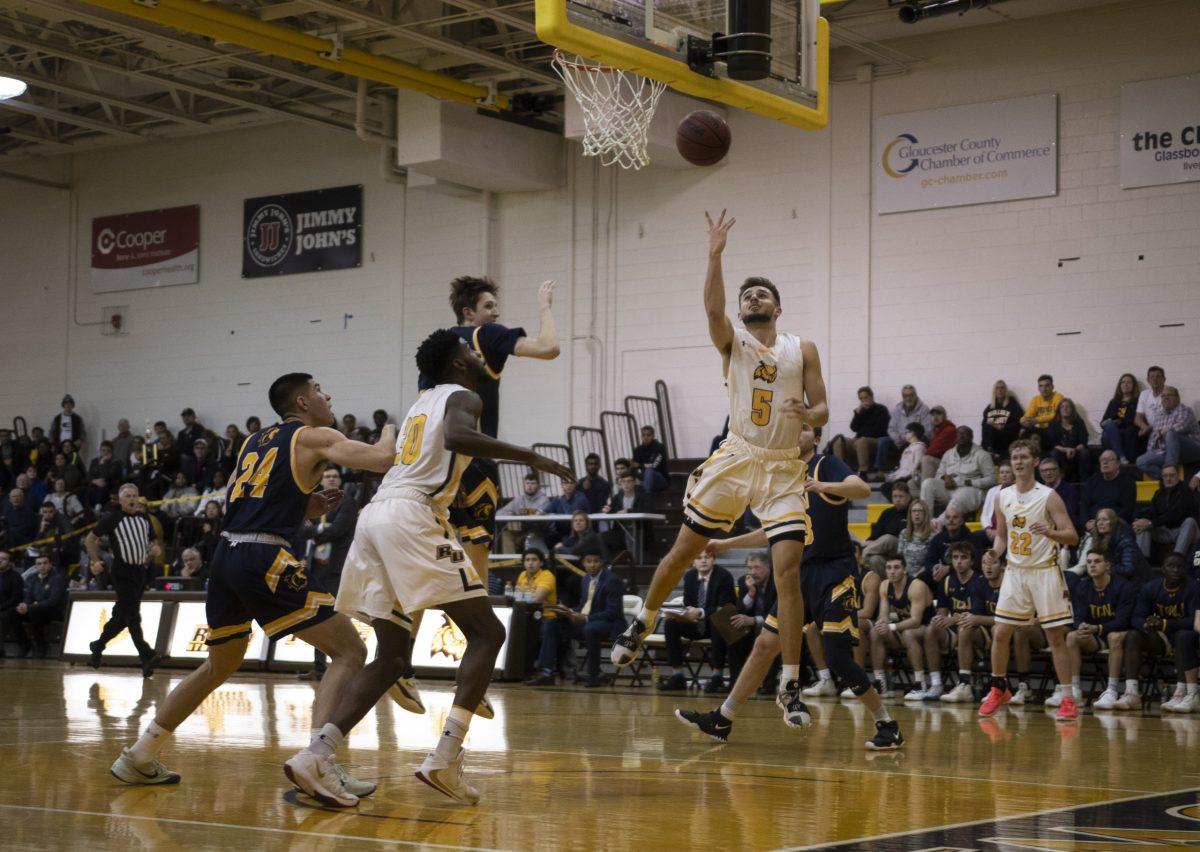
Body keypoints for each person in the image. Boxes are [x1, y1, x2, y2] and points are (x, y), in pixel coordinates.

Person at [288, 330, 572, 807]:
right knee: (487, 634)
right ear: (458, 364)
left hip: (375, 517)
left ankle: (317, 754)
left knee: (393, 656)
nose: (476, 354)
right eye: (468, 350)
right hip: (413, 516)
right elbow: (461, 437)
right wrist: (530, 455)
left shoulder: (422, 402)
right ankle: (445, 758)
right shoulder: (465, 395)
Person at [109, 373, 398, 795]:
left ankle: (139, 754)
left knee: (218, 665)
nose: (328, 395)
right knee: (350, 649)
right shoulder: (312, 435)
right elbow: (381, 460)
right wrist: (393, 424)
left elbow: (245, 501)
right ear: (302, 401)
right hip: (262, 557)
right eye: (320, 390)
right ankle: (317, 760)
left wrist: (302, 507)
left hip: (227, 554)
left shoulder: (254, 442)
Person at [609, 210, 829, 734]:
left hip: (781, 471)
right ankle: (642, 621)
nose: (752, 298)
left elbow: (823, 409)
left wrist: (808, 418)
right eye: (746, 295)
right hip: (735, 457)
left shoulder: (805, 348)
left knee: (788, 572)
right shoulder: (733, 341)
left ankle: (791, 681)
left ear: (779, 307)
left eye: (761, 294)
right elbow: (712, 308)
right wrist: (715, 254)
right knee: (685, 550)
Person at [679, 423, 902, 750]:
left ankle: (888, 724)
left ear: (816, 436)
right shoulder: (780, 476)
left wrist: (820, 485)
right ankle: (723, 718)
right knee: (764, 646)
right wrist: (724, 545)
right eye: (791, 429)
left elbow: (862, 489)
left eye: (804, 429)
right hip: (797, 576)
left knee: (837, 657)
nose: (795, 433)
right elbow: (771, 531)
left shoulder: (825, 464)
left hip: (833, 573)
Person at [416, 275, 561, 597]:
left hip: (431, 467)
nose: (495, 313)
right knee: (476, 552)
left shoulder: (437, 350)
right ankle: (474, 625)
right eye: (489, 306)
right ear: (469, 313)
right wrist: (545, 308)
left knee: (437, 551)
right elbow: (549, 348)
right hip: (474, 462)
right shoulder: (486, 335)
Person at [978, 440, 1080, 720]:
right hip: (1015, 572)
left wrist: (1050, 532)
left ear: (1035, 461)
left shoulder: (1048, 496)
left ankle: (1068, 698)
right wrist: (994, 553)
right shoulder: (1002, 496)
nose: (1019, 462)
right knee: (1000, 633)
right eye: (1014, 458)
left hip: (1045, 571)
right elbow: (1001, 536)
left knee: (1055, 637)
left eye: (1024, 457)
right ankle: (999, 687)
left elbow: (1072, 535)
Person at [85, 484, 163, 675]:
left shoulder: (145, 519)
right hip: (121, 572)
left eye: (134, 496)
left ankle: (98, 645)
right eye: (127, 496)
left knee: (122, 617)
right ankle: (146, 655)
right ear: (120, 501)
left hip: (139, 572)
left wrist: (153, 550)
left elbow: (154, 542)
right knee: (133, 616)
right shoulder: (113, 519)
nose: (131, 499)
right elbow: (89, 539)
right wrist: (95, 561)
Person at [1113, 554, 1199, 713]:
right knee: (1133, 635)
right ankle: (1132, 693)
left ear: (1186, 569)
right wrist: (1146, 625)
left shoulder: (1193, 588)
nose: (1175, 570)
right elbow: (1136, 617)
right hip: (1162, 638)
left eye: (1179, 566)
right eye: (1171, 566)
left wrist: (1165, 623)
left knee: (1182, 635)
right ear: (1163, 569)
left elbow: (1195, 622)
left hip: (1188, 638)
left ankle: (1181, 693)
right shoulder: (1151, 588)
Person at [297, 466, 359, 681]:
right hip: (316, 567)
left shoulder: (347, 502)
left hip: (337, 568)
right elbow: (299, 529)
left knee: (336, 615)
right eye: (328, 477)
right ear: (321, 481)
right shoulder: (314, 502)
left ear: (340, 480)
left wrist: (316, 532)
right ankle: (319, 667)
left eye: (335, 476)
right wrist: (321, 530)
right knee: (319, 616)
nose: (332, 479)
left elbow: (338, 529)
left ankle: (347, 662)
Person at [655, 550, 735, 692]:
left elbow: (724, 608)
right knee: (670, 624)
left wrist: (700, 612)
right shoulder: (690, 576)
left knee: (718, 621)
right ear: (693, 562)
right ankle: (677, 675)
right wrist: (680, 614)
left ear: (714, 560)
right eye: (699, 558)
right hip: (696, 623)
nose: (703, 561)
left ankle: (717, 676)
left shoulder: (724, 576)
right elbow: (688, 603)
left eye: (707, 557)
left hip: (715, 625)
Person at [1068, 548, 1134, 710]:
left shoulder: (1123, 586)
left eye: (1097, 562)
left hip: (1122, 633)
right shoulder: (1083, 587)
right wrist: (1080, 626)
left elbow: (1123, 621)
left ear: (1107, 565)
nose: (1092, 565)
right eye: (1089, 562)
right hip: (1096, 634)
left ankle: (1111, 690)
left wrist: (1097, 628)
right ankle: (1075, 690)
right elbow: (1077, 616)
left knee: (1114, 637)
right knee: (1072, 636)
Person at [920, 542, 984, 701]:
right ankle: (936, 684)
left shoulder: (980, 581)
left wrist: (952, 619)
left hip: (979, 630)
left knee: (965, 627)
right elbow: (942, 612)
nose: (959, 561)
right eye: (955, 557)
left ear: (972, 562)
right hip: (955, 630)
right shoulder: (947, 581)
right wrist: (939, 619)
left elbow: (976, 614)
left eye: (963, 558)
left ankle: (965, 684)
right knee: (931, 628)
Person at [939, 553, 1005, 703]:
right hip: (988, 631)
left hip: (1012, 630)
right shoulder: (979, 583)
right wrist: (968, 619)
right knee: (965, 627)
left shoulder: (1009, 584)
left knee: (998, 629)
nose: (988, 567)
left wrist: (977, 618)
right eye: (984, 563)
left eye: (993, 563)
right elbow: (976, 615)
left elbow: (1008, 618)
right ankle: (965, 684)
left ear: (1002, 566)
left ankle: (1000, 686)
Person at [871, 555, 934, 699]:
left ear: (905, 570)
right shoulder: (885, 585)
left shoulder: (916, 586)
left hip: (927, 629)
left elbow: (916, 621)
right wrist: (882, 623)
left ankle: (920, 683)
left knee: (908, 633)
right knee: (876, 631)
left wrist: (891, 627)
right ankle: (879, 682)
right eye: (888, 568)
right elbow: (883, 614)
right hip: (902, 628)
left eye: (896, 567)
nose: (892, 571)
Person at [919, 425, 996, 521]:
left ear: (971, 437)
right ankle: (924, 521)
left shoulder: (982, 455)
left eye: (965, 433)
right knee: (928, 483)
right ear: (955, 437)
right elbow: (939, 473)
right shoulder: (948, 454)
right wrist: (945, 478)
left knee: (958, 498)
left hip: (971, 491)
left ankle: (937, 524)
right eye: (959, 434)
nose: (961, 436)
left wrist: (967, 482)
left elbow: (992, 480)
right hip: (950, 489)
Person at [1132, 465, 1199, 561]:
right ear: (1162, 477)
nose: (1168, 478)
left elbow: (1175, 515)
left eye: (1172, 475)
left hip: (1185, 531)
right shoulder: (1158, 493)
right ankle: (1141, 563)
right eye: (1165, 476)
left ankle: (1176, 560)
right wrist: (1142, 521)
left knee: (1190, 521)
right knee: (1142, 526)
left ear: (1178, 476)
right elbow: (1151, 512)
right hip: (1166, 531)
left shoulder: (1186, 491)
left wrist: (1151, 523)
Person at [7, 552, 66, 657]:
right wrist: (23, 605)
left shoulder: (57, 578)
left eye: (45, 563)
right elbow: (28, 597)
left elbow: (53, 601)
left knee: (34, 611)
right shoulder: (32, 578)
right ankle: (25, 644)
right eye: (39, 564)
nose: (42, 566)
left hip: (54, 611)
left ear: (50, 564)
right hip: (35, 609)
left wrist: (29, 607)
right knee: (12, 612)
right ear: (35, 566)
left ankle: (41, 645)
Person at [520, 549, 565, 685]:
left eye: (534, 560)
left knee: (548, 627)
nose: (530, 563)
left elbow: (536, 599)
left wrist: (524, 596)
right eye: (527, 560)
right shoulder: (522, 575)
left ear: (541, 562)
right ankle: (516, 669)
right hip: (528, 616)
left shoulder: (547, 576)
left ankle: (546, 672)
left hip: (547, 616)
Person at [1136, 386, 1200, 479]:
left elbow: (1181, 427)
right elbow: (1153, 439)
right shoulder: (1159, 415)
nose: (1165, 398)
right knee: (1140, 461)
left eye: (1169, 395)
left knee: (1171, 433)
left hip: (1191, 449)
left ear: (1177, 398)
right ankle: (1167, 478)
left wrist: (1163, 432)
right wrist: (1149, 454)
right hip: (1168, 452)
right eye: (1163, 396)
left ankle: (1170, 468)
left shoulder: (1185, 410)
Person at [875, 385, 931, 475]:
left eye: (911, 395)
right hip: (899, 440)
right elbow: (891, 428)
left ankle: (904, 472)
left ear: (916, 395)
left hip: (915, 441)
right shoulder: (897, 409)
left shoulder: (924, 409)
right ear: (902, 396)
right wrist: (897, 439)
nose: (908, 398)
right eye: (905, 396)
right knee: (883, 441)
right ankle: (880, 470)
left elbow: (927, 430)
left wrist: (912, 439)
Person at [1079, 450, 1137, 531]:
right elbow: (1084, 505)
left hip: (1116, 525)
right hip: (1093, 525)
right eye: (1102, 459)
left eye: (1110, 459)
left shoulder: (1127, 482)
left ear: (1118, 464)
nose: (1105, 462)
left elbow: (1128, 508)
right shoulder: (1092, 481)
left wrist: (1108, 522)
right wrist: (1086, 522)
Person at [862, 481, 911, 575]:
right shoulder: (887, 513)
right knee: (874, 560)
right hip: (885, 552)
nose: (897, 499)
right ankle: (884, 586)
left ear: (908, 497)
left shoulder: (912, 511)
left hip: (903, 548)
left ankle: (862, 555)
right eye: (895, 496)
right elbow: (875, 534)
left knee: (888, 538)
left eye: (901, 496)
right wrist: (870, 541)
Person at [499, 472, 552, 554]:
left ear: (538, 485)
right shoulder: (519, 499)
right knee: (506, 534)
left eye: (533, 483)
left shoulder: (544, 500)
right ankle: (510, 563)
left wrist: (520, 513)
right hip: (520, 531)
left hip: (538, 532)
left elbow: (538, 516)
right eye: (527, 483)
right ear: (524, 485)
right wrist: (508, 514)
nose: (529, 486)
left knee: (531, 537)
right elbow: (499, 513)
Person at [844, 386, 890, 479]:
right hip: (859, 439)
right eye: (861, 398)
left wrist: (863, 436)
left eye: (866, 397)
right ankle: (842, 471)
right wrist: (857, 414)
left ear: (871, 397)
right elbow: (853, 428)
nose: (864, 400)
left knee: (862, 441)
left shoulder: (881, 409)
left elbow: (881, 428)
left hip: (876, 439)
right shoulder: (861, 411)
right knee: (840, 440)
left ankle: (863, 471)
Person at [1046, 398, 1092, 482]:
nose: (1065, 409)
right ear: (1059, 410)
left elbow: (1084, 441)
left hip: (1077, 450)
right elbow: (1053, 443)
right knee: (1053, 453)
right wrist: (1066, 449)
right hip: (1060, 451)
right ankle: (1058, 481)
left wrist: (1074, 449)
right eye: (1062, 407)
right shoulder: (1053, 423)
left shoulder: (1079, 422)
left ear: (1072, 409)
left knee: (1085, 452)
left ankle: (1084, 481)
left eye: (1068, 407)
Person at [1100, 373, 1141, 464]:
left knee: (1107, 434)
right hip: (1113, 429)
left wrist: (1117, 421)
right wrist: (1112, 421)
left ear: (1133, 386)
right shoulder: (1114, 401)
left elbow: (1132, 420)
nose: (1125, 384)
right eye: (1123, 382)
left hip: (1128, 430)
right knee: (1108, 428)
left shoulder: (1137, 401)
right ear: (1120, 385)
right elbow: (1103, 421)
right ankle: (1120, 456)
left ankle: (1115, 459)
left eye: (1129, 382)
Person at [981, 380, 1024, 459]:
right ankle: (989, 450)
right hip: (993, 440)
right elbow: (984, 425)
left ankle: (992, 451)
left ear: (1006, 390)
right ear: (994, 391)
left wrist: (1001, 426)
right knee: (987, 426)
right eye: (997, 388)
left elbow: (1018, 423)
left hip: (1007, 437)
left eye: (1002, 388)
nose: (1000, 390)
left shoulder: (1013, 405)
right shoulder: (989, 408)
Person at [1018, 374, 1063, 448]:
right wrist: (1024, 422)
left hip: (1056, 429)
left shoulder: (1058, 396)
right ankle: (1025, 454)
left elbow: (1056, 415)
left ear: (1052, 387)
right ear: (1038, 388)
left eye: (1047, 385)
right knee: (1025, 430)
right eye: (1041, 386)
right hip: (1043, 430)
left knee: (1051, 425)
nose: (1044, 389)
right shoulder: (1036, 399)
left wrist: (1037, 420)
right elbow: (1026, 416)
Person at [1038, 457, 1080, 534]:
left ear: (1058, 471)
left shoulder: (1070, 490)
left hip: (1062, 532)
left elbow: (1068, 514)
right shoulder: (1038, 492)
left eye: (1051, 470)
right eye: (1044, 471)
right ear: (1040, 474)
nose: (1048, 473)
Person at [897, 499, 934, 579]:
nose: (917, 514)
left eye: (920, 511)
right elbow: (900, 558)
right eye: (914, 511)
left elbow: (930, 563)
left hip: (923, 576)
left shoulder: (932, 536)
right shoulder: (903, 533)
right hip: (904, 575)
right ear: (910, 514)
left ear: (925, 514)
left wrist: (916, 576)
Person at [885, 423, 925, 493]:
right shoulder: (907, 449)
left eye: (907, 432)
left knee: (889, 487)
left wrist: (903, 477)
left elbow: (916, 467)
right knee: (885, 486)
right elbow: (902, 467)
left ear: (913, 433)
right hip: (902, 477)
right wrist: (894, 476)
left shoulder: (920, 447)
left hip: (910, 478)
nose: (905, 434)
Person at [919, 407, 957, 480]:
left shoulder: (950, 430)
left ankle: (927, 489)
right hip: (940, 463)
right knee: (911, 483)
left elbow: (935, 450)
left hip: (949, 465)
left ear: (945, 416)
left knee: (927, 459)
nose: (935, 417)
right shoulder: (936, 431)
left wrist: (920, 460)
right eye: (933, 415)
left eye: (938, 414)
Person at [980, 462, 1014, 542]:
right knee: (975, 536)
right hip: (991, 530)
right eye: (1002, 472)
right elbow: (985, 514)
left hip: (1008, 532)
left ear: (1013, 475)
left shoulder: (1018, 491)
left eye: (1007, 472)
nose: (1004, 475)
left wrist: (999, 532)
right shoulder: (992, 491)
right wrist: (988, 529)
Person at [632, 425, 669, 494]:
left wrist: (640, 465)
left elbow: (654, 465)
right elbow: (634, 466)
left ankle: (647, 496)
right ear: (641, 436)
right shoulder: (637, 450)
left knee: (649, 470)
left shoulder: (659, 447)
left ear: (653, 436)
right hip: (644, 478)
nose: (645, 437)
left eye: (648, 435)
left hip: (659, 479)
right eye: (643, 435)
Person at [1133, 366, 1167, 442]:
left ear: (1164, 379)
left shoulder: (1169, 392)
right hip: (1150, 430)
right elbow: (1137, 418)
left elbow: (1173, 416)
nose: (1155, 379)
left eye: (1158, 376)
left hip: (1166, 430)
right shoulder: (1144, 394)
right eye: (1152, 377)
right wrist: (1145, 427)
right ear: (1148, 380)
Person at [0, 550, 24, 656]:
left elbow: (16, 598)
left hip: (9, 608)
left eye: (4, 559)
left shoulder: (16, 577)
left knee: (2, 616)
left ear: (10, 562)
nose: (0, 561)